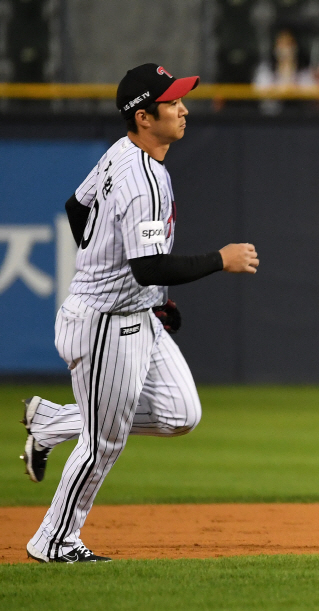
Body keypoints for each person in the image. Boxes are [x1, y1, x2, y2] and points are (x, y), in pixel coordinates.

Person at [18, 63, 260, 563]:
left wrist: (136, 285)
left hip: (134, 312)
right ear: (144, 117)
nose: (183, 109)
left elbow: (76, 206)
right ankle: (53, 541)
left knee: (180, 414)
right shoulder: (143, 177)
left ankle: (51, 423)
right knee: (104, 442)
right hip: (106, 323)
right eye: (172, 103)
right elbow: (148, 265)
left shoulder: (121, 154)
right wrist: (221, 259)